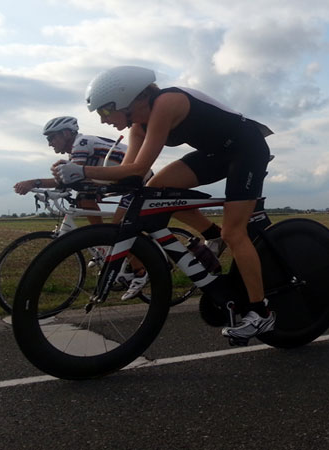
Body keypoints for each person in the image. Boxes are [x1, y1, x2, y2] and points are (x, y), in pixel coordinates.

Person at [53, 66, 276, 345]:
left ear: (128, 98)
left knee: (235, 232)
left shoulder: (166, 103)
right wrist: (84, 183)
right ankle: (209, 238)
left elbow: (140, 166)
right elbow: (130, 175)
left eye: (106, 111)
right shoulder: (137, 127)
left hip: (247, 149)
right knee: (155, 191)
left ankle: (260, 312)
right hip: (216, 154)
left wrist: (84, 171)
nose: (103, 119)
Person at [14, 116, 148, 299]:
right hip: (117, 181)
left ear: (67, 133)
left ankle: (141, 272)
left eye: (52, 138)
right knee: (85, 199)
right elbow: (70, 181)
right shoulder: (76, 150)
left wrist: (34, 182)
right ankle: (102, 247)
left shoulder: (81, 144)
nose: (50, 144)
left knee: (117, 231)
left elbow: (68, 180)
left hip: (137, 180)